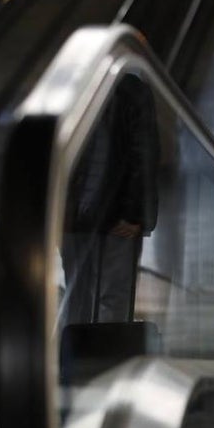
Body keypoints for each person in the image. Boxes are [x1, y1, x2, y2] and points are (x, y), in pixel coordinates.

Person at [62, 73, 160, 325]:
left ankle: (74, 359)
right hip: (112, 216)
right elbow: (144, 153)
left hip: (76, 215)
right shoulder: (130, 90)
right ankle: (102, 359)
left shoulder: (69, 84)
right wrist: (135, 213)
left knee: (77, 295)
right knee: (111, 297)